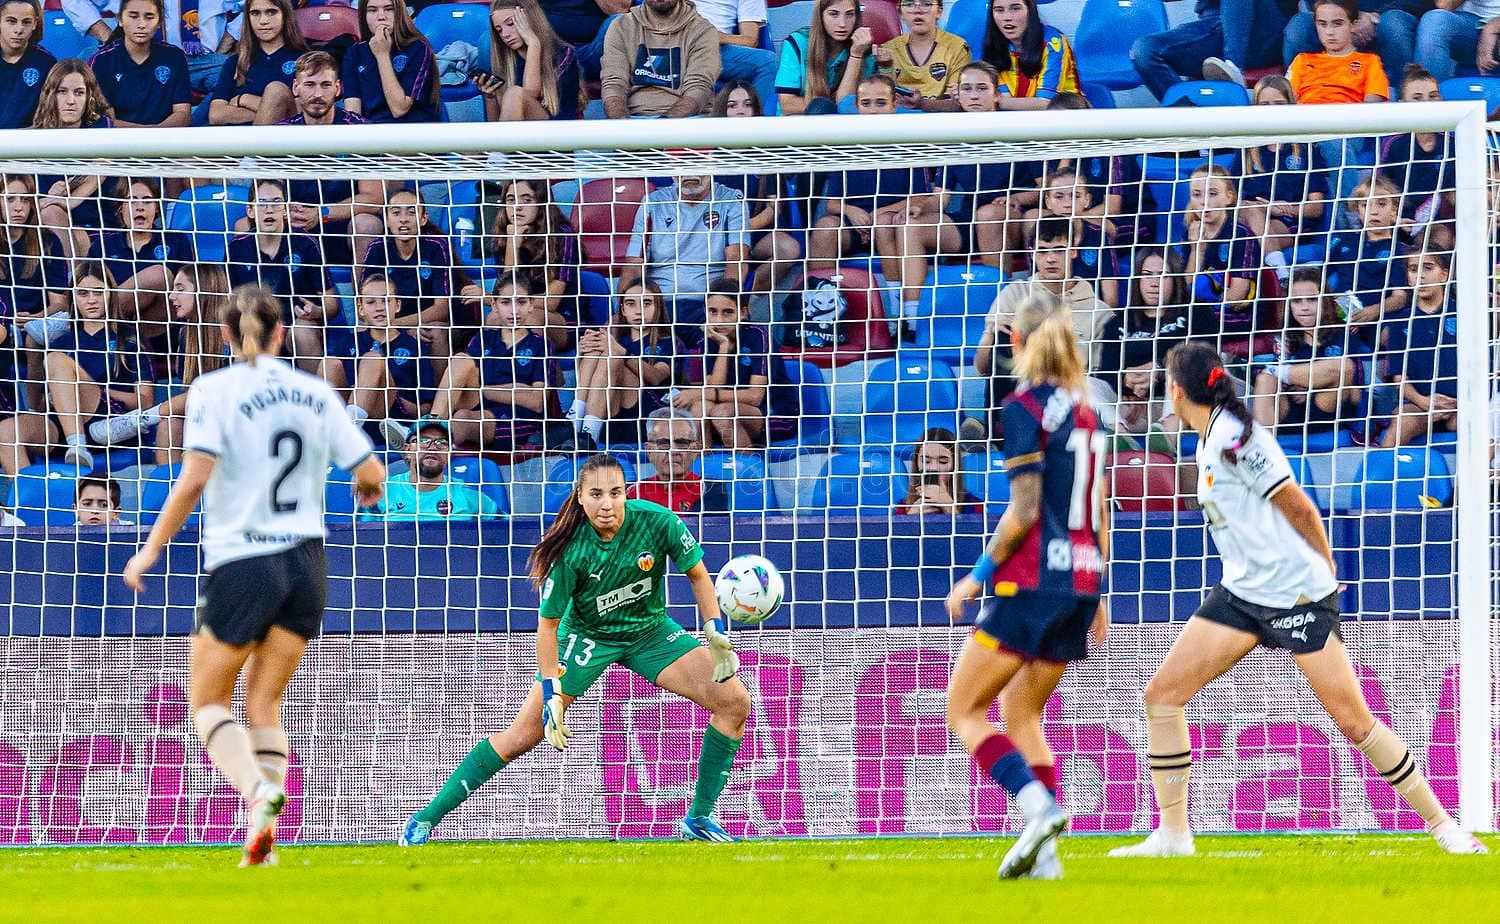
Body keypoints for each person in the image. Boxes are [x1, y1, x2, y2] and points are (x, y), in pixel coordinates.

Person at [1108, 340, 1485, 859]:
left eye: (1166, 382)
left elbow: (1300, 507)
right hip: (1241, 593)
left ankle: (1446, 827)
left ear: (1177, 390)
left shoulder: (1239, 438)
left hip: (1297, 595)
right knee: (1162, 697)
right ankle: (1173, 836)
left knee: (1354, 721)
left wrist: (1326, 573)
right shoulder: (1207, 437)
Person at [123, 284, 385, 868]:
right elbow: (370, 469)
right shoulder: (313, 392)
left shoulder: (212, 390)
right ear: (280, 334)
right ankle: (261, 845)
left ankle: (256, 790)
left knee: (207, 702)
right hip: (307, 564)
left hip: (245, 559)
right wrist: (366, 493)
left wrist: (149, 550)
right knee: (264, 702)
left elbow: (192, 480)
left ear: (223, 334)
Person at [400, 453, 750, 846]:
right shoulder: (571, 551)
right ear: (580, 497)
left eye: (615, 493)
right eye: (597, 494)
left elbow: (699, 574)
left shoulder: (658, 521)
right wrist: (551, 693)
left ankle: (699, 819)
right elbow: (548, 626)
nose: (607, 504)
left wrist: (714, 632)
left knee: (734, 701)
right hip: (586, 638)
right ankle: (424, 820)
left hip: (650, 632)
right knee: (524, 734)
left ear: (626, 493)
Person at [944, 292, 1109, 880]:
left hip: (1031, 584)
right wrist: (1101, 591)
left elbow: (1023, 510)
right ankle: (1046, 858)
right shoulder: (1087, 412)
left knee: (963, 709)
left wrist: (975, 578)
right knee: (1022, 712)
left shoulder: (1022, 408)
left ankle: (1036, 806)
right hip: (1080, 581)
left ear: (1013, 340)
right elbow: (1099, 506)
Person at [0, 261, 155, 474]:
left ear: (111, 294)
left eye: (98, 292)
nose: (91, 300)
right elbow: (42, 405)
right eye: (83, 293)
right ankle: (27, 498)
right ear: (73, 297)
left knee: (56, 359)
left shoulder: (128, 338)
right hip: (62, 426)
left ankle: (78, 445)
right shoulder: (62, 341)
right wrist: (53, 398)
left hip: (107, 421)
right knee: (6, 432)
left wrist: (100, 391)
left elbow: (145, 400)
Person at [88, 263, 230, 466]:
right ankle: (169, 491)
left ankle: (141, 419)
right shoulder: (186, 334)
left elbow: (220, 393)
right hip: (207, 417)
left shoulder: (237, 330)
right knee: (169, 425)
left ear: (204, 290)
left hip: (240, 416)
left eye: (180, 289)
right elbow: (191, 393)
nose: (172, 297)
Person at [976, 218, 1113, 414]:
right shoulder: (1014, 294)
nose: (1050, 258)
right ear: (1032, 254)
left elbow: (1099, 376)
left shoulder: (1100, 311)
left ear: (1073, 252)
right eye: (1042, 250)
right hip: (1022, 392)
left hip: (1072, 399)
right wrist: (991, 335)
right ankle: (997, 430)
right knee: (1004, 338)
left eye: (1058, 250)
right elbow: (981, 368)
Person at [411, 269, 554, 452]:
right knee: (461, 360)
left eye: (521, 302)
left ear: (531, 305)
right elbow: (466, 383)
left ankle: (421, 438)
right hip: (479, 407)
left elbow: (537, 401)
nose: (514, 310)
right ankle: (427, 430)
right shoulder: (483, 338)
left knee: (462, 419)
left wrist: (484, 390)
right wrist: (514, 388)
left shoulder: (540, 344)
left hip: (517, 419)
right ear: (494, 305)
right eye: (505, 303)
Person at [807, 76, 933, 270]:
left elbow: (920, 198)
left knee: (885, 224)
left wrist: (877, 214)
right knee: (825, 228)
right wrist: (851, 211)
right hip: (855, 226)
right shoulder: (846, 148)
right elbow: (832, 204)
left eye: (881, 103)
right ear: (857, 106)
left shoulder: (910, 145)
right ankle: (820, 293)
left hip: (894, 224)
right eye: (866, 103)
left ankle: (898, 295)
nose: (873, 110)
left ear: (895, 104)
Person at [280, 51, 387, 268]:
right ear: (296, 88)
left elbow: (374, 198)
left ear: (337, 89)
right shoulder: (281, 134)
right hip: (294, 227)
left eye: (325, 85)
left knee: (366, 224)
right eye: (309, 84)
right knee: (245, 225)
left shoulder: (359, 130)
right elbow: (266, 191)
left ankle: (363, 301)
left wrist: (322, 214)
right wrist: (287, 213)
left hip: (342, 225)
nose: (317, 94)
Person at [226, 177, 338, 364]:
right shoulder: (237, 248)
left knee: (302, 332)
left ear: (285, 210)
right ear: (250, 211)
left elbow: (332, 303)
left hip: (296, 326)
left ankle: (310, 393)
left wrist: (317, 311)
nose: (269, 209)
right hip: (257, 329)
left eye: (276, 203)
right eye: (262, 203)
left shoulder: (306, 243)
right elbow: (227, 300)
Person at [619, 173, 748, 332]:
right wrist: (620, 319)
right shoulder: (652, 202)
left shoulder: (732, 199)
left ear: (711, 163)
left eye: (697, 163)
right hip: (658, 305)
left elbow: (736, 258)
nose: (689, 173)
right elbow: (633, 263)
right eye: (682, 165)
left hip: (707, 305)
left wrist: (722, 306)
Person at [711, 81, 803, 297]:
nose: (740, 111)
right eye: (732, 105)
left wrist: (744, 227)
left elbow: (774, 208)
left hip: (756, 231)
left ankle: (745, 297)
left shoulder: (766, 152)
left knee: (788, 249)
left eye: (747, 104)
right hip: (717, 234)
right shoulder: (710, 155)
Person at [1251, 268, 1365, 438]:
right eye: (1297, 301)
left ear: (1325, 301)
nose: (1304, 307)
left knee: (1343, 366)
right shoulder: (1284, 338)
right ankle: (1262, 447)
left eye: (1312, 299)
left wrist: (1309, 385)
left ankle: (1278, 372)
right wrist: (1291, 385)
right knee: (1265, 378)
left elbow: (1355, 389)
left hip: (1327, 407)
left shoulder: (1344, 333)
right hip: (1289, 411)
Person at [469, 178, 580, 352]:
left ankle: (540, 377)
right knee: (493, 319)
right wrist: (513, 245)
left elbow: (551, 302)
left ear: (541, 203)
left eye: (527, 200)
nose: (517, 207)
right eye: (511, 200)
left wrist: (490, 299)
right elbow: (507, 290)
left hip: (563, 319)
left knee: (529, 319)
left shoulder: (562, 234)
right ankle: (497, 376)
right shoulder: (503, 234)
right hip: (519, 311)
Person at [569, 280, 682, 450]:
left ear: (658, 306)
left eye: (646, 303)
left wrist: (622, 353)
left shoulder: (669, 341)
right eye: (631, 304)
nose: (639, 310)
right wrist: (582, 352)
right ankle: (578, 420)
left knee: (612, 354)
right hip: (609, 415)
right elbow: (589, 381)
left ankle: (585, 430)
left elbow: (657, 377)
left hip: (646, 418)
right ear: (623, 310)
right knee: (596, 347)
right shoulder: (619, 341)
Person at [335, 273, 440, 436]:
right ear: (360, 309)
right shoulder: (349, 342)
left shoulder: (414, 346)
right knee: (330, 363)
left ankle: (346, 435)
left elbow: (426, 408)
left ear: (397, 305)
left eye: (386, 300)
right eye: (370, 302)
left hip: (392, 419)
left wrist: (393, 398)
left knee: (373, 359)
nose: (379, 307)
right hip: (351, 412)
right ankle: (330, 428)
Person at [358, 189, 456, 360]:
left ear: (423, 218)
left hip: (423, 323)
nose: (403, 219)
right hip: (386, 322)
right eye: (396, 213)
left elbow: (442, 308)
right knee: (360, 331)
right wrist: (397, 329)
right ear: (387, 220)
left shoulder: (436, 246)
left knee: (438, 332)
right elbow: (365, 305)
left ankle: (437, 387)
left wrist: (399, 325)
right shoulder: (377, 248)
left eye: (411, 212)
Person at [1129, 0, 1294, 102]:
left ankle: (1233, 66)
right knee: (1144, 50)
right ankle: (1191, 124)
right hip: (1215, 24)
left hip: (1267, 29)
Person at [62, 0, 240, 94]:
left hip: (198, 62)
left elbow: (253, 5)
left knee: (238, 75)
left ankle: (195, 139)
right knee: (84, 67)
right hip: (134, 56)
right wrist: (108, 37)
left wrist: (228, 40)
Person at [671, 278, 768, 449]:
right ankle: (703, 470)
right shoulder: (707, 340)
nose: (719, 320)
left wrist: (699, 394)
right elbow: (715, 385)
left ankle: (748, 472)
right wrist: (723, 346)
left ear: (743, 313)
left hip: (768, 414)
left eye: (728, 312)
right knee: (700, 409)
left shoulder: (758, 335)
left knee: (722, 413)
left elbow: (755, 397)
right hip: (722, 413)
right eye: (713, 312)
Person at [32, 58, 114, 260]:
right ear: (51, 94)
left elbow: (99, 171)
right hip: (49, 229)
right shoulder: (33, 138)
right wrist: (47, 201)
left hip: (101, 223)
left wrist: (68, 201)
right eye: (62, 91)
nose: (71, 100)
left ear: (89, 97)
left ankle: (75, 285)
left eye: (79, 92)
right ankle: (73, 282)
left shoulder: (102, 126)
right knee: (51, 211)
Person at [1379, 247, 1457, 446]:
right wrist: (1424, 402)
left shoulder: (1465, 312)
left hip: (1462, 405)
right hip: (1419, 406)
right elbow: (1399, 378)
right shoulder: (1399, 322)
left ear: (1444, 274)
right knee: (1401, 424)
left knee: (1489, 428)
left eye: (1428, 268)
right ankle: (1379, 475)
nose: (1420, 275)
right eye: (1414, 269)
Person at [1177, 164, 1260, 337]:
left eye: (1212, 194)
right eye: (1196, 195)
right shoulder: (1190, 233)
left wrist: (1202, 310)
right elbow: (1186, 287)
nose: (1204, 201)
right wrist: (1197, 250)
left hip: (1237, 314)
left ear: (1229, 197)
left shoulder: (1241, 235)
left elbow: (1237, 294)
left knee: (1187, 323)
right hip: (1199, 312)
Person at [361, 416, 497, 521]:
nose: (432, 447)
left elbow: (507, 534)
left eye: (441, 442)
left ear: (450, 453)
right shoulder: (381, 493)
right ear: (407, 450)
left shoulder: (468, 495)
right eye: (423, 441)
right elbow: (362, 542)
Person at [600, 0, 721, 118]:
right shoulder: (621, 25)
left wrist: (662, 128)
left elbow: (699, 88)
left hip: (688, 120)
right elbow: (614, 83)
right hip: (633, 119)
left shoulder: (703, 30)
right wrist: (621, 123)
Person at [1323, 172, 1411, 328]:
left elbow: (1400, 297)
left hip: (1378, 320)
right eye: (1365, 205)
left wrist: (1373, 311)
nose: (1374, 211)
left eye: (1381, 204)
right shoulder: (1343, 241)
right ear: (1358, 210)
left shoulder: (1400, 251)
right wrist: (1337, 307)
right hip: (1340, 317)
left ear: (1394, 210)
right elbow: (1321, 280)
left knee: (1390, 334)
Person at [87, 0, 191, 127]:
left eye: (149, 17)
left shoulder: (175, 57)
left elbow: (183, 113)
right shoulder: (102, 61)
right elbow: (107, 121)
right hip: (118, 143)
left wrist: (157, 134)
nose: (141, 24)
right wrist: (146, 135)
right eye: (133, 16)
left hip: (165, 141)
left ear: (159, 22)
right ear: (120, 19)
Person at [207, 0, 307, 126]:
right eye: (255, 13)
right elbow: (216, 115)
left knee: (276, 91)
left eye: (271, 12)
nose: (263, 21)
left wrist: (243, 99)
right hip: (238, 141)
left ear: (285, 15)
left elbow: (301, 111)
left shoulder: (304, 60)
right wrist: (275, 112)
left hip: (283, 140)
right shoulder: (234, 62)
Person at [477, 0, 581, 121]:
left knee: (515, 94)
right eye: (499, 30)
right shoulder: (506, 61)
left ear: (529, 20)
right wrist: (490, 98)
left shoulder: (564, 54)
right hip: (515, 136)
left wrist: (533, 43)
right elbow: (496, 128)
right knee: (514, 95)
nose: (505, 34)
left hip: (560, 131)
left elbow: (530, 94)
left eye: (510, 24)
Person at [342, 0, 439, 123]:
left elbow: (399, 109)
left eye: (389, 9)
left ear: (399, 13)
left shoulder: (419, 48)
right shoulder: (354, 53)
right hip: (370, 133)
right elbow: (353, 113)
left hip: (412, 131)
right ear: (364, 16)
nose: (381, 17)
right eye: (372, 10)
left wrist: (382, 55)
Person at [1284, 0, 1427, 82]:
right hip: (1336, 14)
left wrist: (1373, 16)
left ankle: (1403, 99)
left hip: (1389, 18)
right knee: (1299, 27)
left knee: (1393, 26)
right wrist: (1349, 16)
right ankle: (1294, 97)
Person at [773, 0, 875, 115]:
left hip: (845, 126)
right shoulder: (797, 43)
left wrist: (856, 55)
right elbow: (788, 105)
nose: (842, 23)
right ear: (820, 16)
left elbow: (845, 105)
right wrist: (828, 105)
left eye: (849, 14)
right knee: (820, 108)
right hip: (799, 124)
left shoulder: (863, 48)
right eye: (833, 14)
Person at [628, 406, 730, 512]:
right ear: (649, 451)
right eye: (664, 443)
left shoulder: (710, 490)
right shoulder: (633, 492)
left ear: (695, 450)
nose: (673, 451)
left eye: (682, 443)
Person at [1287, 0, 1392, 103]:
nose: (1329, 32)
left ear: (1353, 25)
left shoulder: (1370, 62)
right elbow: (1286, 103)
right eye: (1322, 24)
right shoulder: (1301, 60)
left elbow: (1372, 107)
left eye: (1337, 24)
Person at [981, 0, 1077, 108]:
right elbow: (1005, 98)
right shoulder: (994, 45)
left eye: (1015, 8)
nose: (1006, 17)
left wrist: (989, 101)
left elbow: (1046, 103)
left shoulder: (1053, 42)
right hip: (1014, 118)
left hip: (1064, 115)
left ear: (1030, 10)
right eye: (999, 10)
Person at [693, 0, 778, 116]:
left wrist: (712, 36)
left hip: (718, 50)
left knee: (768, 62)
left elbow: (750, 40)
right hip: (675, 41)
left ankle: (756, 127)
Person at [877, 0, 970, 105]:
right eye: (909, 4)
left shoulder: (957, 47)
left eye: (926, 4)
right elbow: (882, 100)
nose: (917, 10)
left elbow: (955, 101)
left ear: (939, 11)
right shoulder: (888, 49)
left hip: (941, 117)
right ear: (900, 13)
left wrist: (922, 104)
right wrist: (886, 68)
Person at [896, 427, 982, 515]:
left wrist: (949, 507)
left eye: (942, 462)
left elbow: (976, 529)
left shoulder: (974, 505)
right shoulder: (902, 507)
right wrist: (910, 517)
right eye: (926, 461)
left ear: (955, 465)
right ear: (917, 464)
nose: (933, 468)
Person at [0, 0, 56, 129]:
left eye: (26, 22)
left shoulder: (46, 62)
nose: (19, 29)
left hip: (28, 143)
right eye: (11, 21)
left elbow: (50, 116)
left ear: (35, 23)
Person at [1415, 0, 1500, 81]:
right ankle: (1429, 92)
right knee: (1435, 22)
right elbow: (1444, 4)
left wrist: (1494, 26)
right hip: (1469, 26)